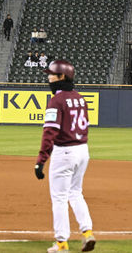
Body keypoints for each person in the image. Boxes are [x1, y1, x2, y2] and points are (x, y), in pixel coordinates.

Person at [33, 59, 95, 252]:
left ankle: (61, 243)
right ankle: (87, 233)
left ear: (62, 77)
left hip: (64, 152)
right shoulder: (80, 98)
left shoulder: (56, 101)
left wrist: (41, 160)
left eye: (51, 74)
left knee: (59, 198)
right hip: (82, 150)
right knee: (76, 193)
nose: (49, 78)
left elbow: (49, 132)